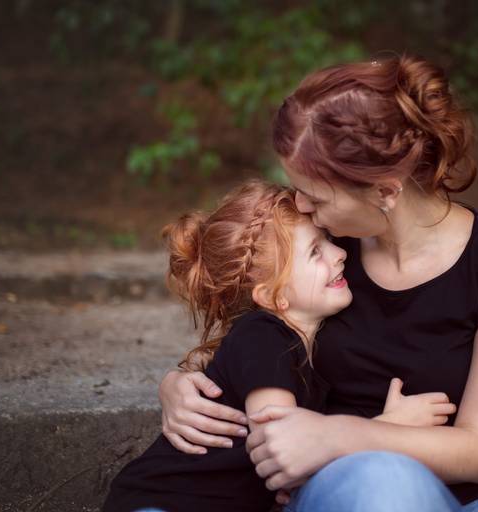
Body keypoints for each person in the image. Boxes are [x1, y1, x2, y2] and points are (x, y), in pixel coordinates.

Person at [158, 55, 478, 511]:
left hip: (471, 500)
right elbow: (254, 342)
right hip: (343, 494)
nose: (300, 208)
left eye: (315, 195)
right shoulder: (325, 250)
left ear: (386, 190)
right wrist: (179, 385)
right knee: (379, 487)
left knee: (387, 480)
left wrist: (344, 436)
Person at [103, 180, 459, 512]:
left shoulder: (297, 349)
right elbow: (278, 447)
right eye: (315, 252)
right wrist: (389, 427)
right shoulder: (263, 336)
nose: (339, 254)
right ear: (273, 296)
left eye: (327, 241)